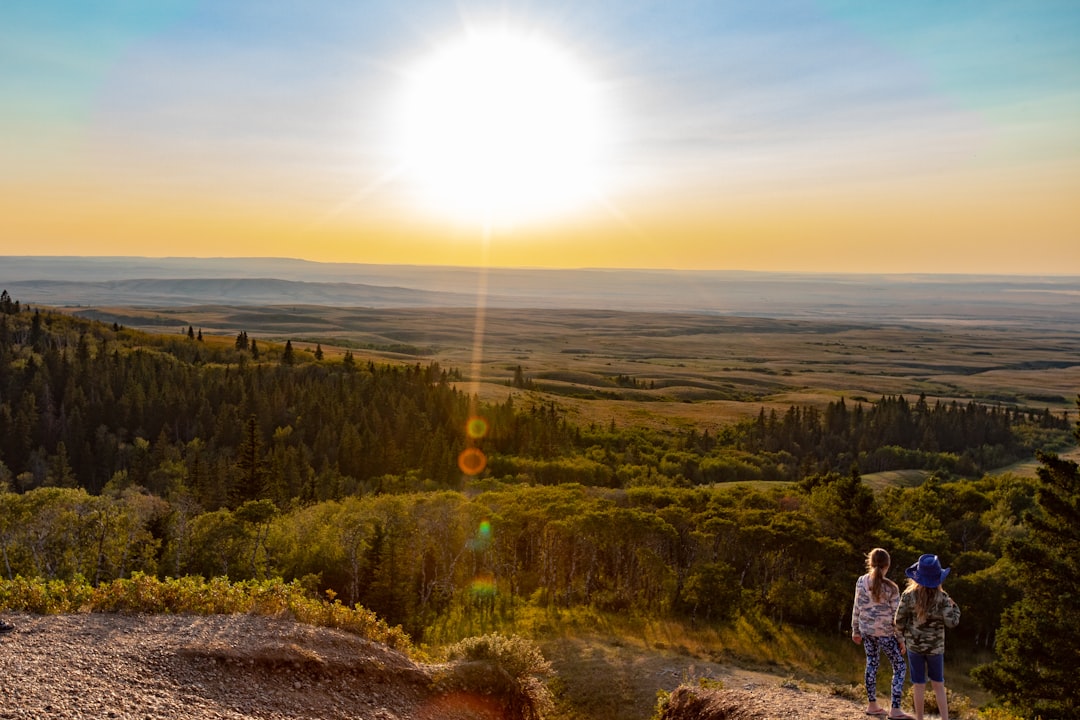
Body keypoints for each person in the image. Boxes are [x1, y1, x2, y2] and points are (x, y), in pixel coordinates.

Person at [894, 554, 961, 720]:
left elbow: (898, 621)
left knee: (918, 685)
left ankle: (920, 718)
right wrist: (955, 607)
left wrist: (902, 638)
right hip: (935, 648)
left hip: (914, 647)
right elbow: (952, 622)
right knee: (938, 684)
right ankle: (945, 718)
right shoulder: (943, 598)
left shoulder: (908, 596)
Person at [852, 548, 912, 719]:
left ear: (869, 563)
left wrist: (855, 630)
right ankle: (895, 708)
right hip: (885, 633)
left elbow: (857, 607)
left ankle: (872, 705)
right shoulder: (891, 588)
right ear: (888, 565)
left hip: (867, 631)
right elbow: (897, 617)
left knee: (872, 663)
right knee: (899, 666)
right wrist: (901, 640)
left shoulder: (860, 582)